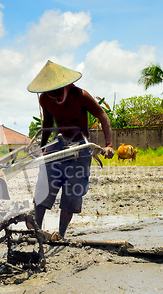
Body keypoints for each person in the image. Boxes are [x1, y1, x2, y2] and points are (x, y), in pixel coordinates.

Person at [27, 60, 114, 238]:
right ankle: (35, 232)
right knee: (44, 189)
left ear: (63, 86)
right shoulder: (45, 99)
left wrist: (109, 145)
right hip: (58, 146)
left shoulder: (80, 96)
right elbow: (47, 124)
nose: (54, 97)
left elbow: (102, 115)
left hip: (80, 147)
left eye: (56, 92)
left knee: (72, 193)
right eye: (49, 93)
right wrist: (42, 147)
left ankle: (61, 234)